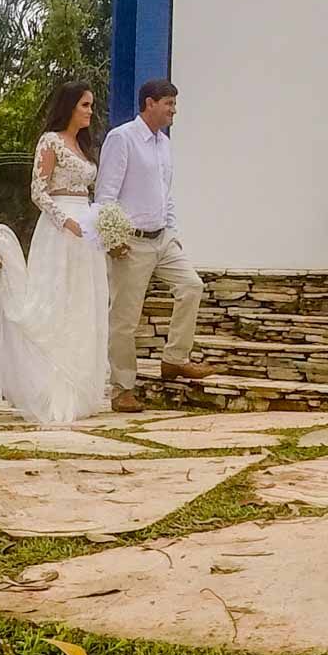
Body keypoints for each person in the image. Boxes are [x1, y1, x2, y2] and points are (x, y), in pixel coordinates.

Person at [0, 83, 111, 423]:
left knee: (83, 303)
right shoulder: (50, 141)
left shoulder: (83, 146)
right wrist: (65, 220)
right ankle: (50, 387)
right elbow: (38, 191)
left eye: (92, 105)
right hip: (61, 227)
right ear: (69, 107)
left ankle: (79, 386)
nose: (90, 111)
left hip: (86, 228)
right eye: (85, 105)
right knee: (56, 302)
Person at [97, 78, 210, 412]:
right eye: (169, 104)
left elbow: (165, 192)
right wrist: (113, 239)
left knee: (192, 286)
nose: (174, 110)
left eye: (174, 104)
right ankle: (122, 389)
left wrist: (172, 231)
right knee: (124, 319)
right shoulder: (122, 139)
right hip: (130, 243)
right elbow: (105, 194)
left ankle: (175, 358)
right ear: (149, 103)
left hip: (163, 238)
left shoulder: (164, 144)